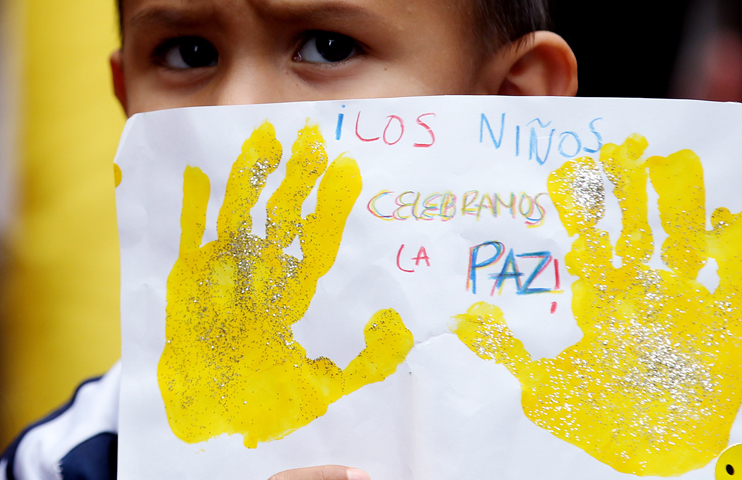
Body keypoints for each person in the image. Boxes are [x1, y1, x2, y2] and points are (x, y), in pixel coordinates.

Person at [1, 0, 577, 479]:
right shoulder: (79, 457)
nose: (238, 110)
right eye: (189, 54)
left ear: (510, 99)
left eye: (329, 47)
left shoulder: (606, 421)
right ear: (125, 98)